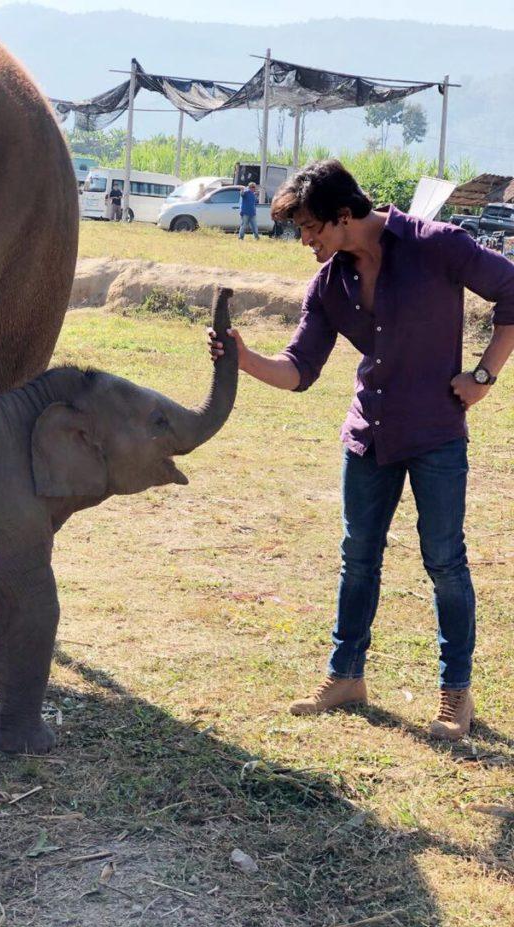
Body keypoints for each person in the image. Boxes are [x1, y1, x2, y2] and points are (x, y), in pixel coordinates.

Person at [209, 159, 514, 739]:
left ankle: (456, 695)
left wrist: (483, 375)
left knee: (445, 562)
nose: (305, 241)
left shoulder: (437, 244)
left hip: (435, 435)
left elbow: (513, 292)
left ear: (343, 216)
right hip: (368, 437)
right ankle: (345, 677)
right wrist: (243, 357)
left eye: (310, 228)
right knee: (358, 560)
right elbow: (300, 370)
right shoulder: (329, 284)